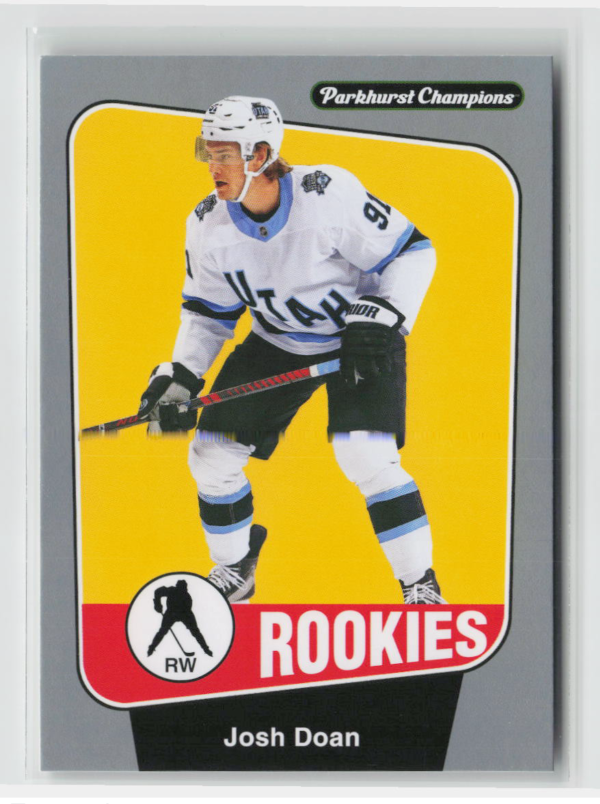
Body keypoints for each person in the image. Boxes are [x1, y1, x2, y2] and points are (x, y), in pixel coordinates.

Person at [139, 95, 446, 606]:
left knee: (365, 454)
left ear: (259, 155)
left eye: (223, 155)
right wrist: (183, 376)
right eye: (207, 153)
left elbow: (414, 251)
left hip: (359, 340)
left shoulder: (328, 194)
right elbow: (208, 313)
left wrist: (388, 311)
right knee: (211, 454)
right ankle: (236, 567)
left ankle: (420, 584)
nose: (212, 167)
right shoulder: (207, 225)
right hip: (278, 342)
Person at [147, 579, 213, 657]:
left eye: (183, 588)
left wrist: (157, 604)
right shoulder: (172, 590)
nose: (182, 589)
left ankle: (206, 649)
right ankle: (151, 648)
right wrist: (157, 604)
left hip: (184, 613)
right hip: (172, 613)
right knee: (162, 631)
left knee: (195, 631)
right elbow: (157, 592)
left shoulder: (186, 596)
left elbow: (157, 592)